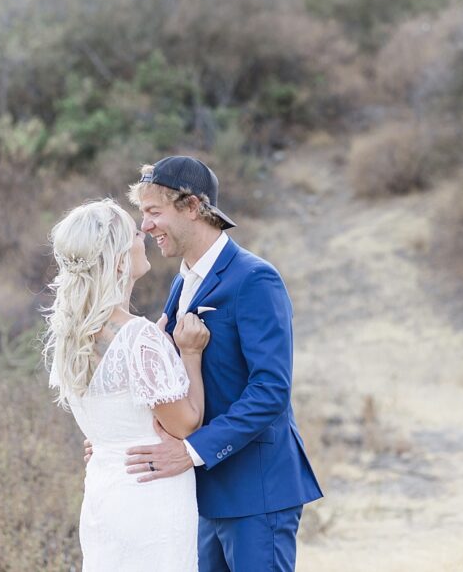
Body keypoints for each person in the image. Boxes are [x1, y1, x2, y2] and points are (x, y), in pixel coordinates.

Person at [121, 156, 324, 572]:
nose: (146, 226)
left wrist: (192, 451)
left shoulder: (255, 279)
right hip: (203, 494)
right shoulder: (182, 281)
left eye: (154, 212)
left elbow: (270, 391)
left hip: (255, 492)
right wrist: (118, 438)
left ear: (192, 207)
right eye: (144, 215)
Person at [43, 198, 211, 571]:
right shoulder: (137, 337)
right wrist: (190, 355)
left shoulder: (69, 337)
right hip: (150, 498)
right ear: (119, 259)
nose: (144, 235)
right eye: (135, 233)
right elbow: (185, 424)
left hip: (105, 496)